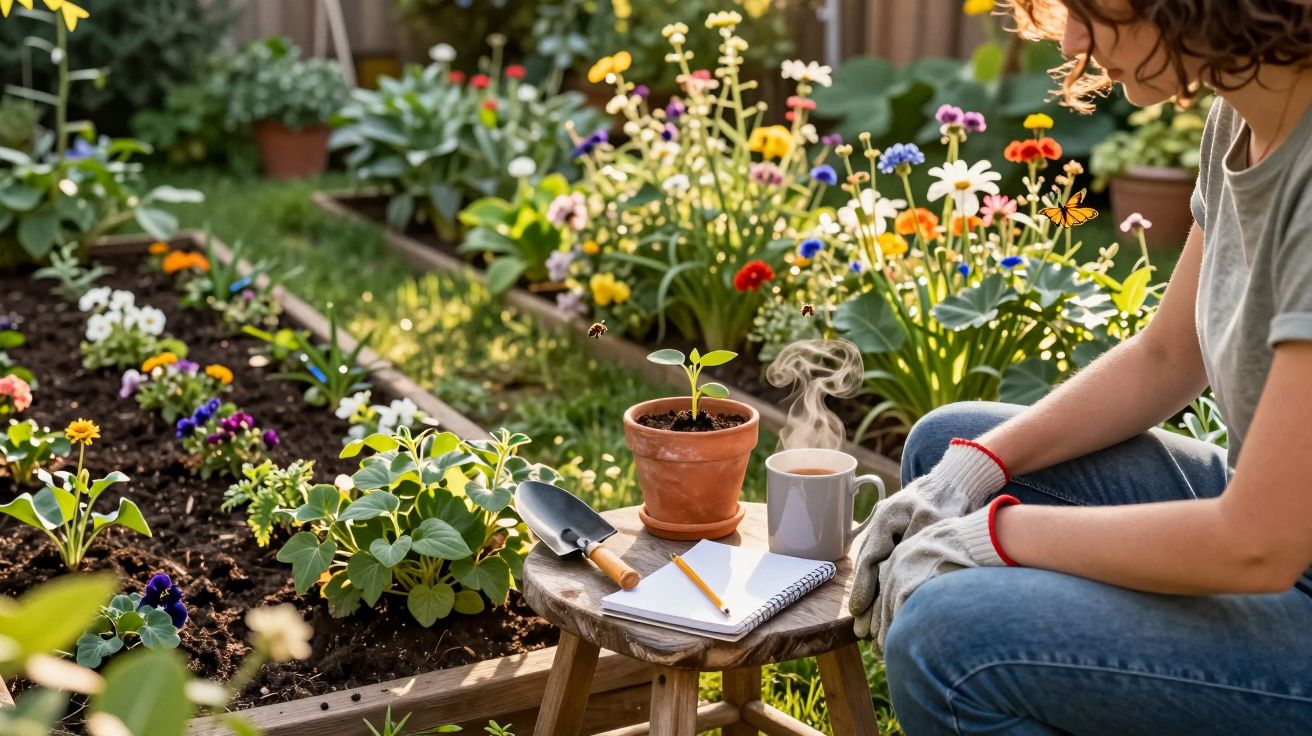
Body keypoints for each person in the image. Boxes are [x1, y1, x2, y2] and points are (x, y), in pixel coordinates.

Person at [847, 0, 1312, 733]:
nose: (1070, 40)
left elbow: (1258, 546)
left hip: (1282, 558)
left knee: (947, 641)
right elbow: (1166, 356)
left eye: (1095, 8)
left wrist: (995, 537)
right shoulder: (1243, 119)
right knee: (948, 446)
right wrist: (976, 471)